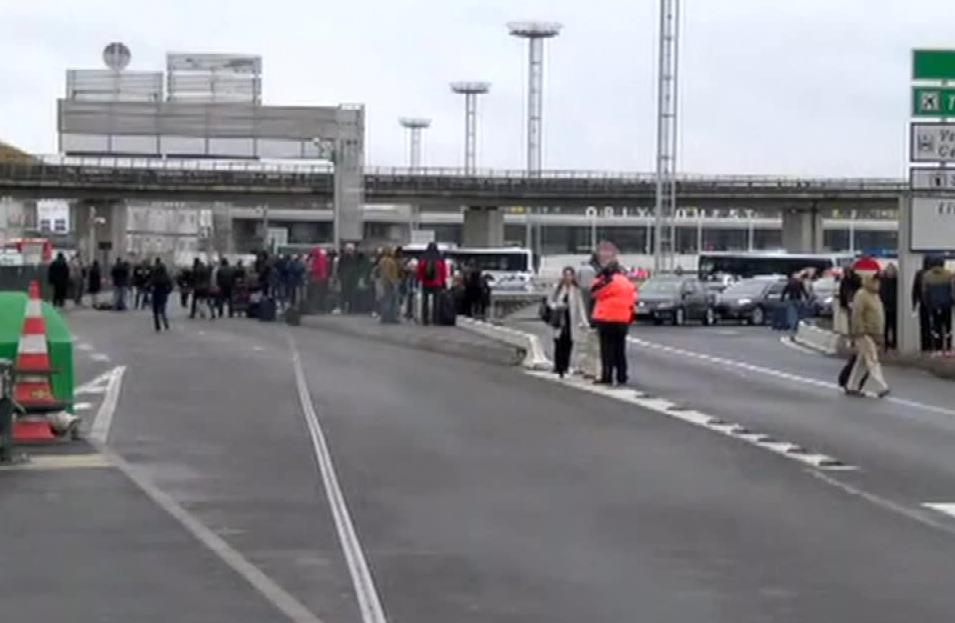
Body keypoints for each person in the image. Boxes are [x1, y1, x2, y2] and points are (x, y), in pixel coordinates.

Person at [591, 259, 635, 386]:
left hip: (607, 318)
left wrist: (599, 276)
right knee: (620, 349)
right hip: (623, 319)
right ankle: (622, 376)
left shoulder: (607, 281)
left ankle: (607, 376)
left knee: (607, 349)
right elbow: (633, 299)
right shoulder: (627, 282)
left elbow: (595, 292)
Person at [846, 274, 890, 398]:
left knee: (863, 362)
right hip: (864, 332)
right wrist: (859, 331)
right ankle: (881, 386)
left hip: (874, 333)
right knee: (872, 360)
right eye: (875, 281)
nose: (878, 283)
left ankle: (852, 386)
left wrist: (880, 334)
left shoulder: (875, 296)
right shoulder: (861, 295)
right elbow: (857, 314)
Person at [548, 267, 590, 378]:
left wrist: (584, 321)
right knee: (558, 343)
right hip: (559, 319)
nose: (568, 277)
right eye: (566, 275)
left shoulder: (576, 290)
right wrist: (558, 306)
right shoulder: (557, 288)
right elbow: (550, 302)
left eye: (570, 275)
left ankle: (565, 367)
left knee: (568, 344)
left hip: (570, 321)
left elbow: (580, 307)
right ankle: (558, 367)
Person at [921, 257, 953, 353]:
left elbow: (924, 292)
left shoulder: (927, 276)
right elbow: (953, 291)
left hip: (934, 305)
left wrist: (927, 304)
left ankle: (938, 348)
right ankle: (948, 348)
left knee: (936, 328)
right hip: (947, 305)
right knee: (948, 327)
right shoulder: (949, 274)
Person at [416, 242, 447, 325]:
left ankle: (425, 319)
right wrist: (443, 281)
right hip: (437, 283)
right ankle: (435, 320)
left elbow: (420, 269)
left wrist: (419, 279)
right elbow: (444, 271)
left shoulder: (423, 257)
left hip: (426, 282)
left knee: (425, 301)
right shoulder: (440, 258)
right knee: (436, 302)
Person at [376, 247, 401, 323]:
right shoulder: (391, 262)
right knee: (391, 301)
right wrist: (393, 283)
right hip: (390, 283)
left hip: (383, 283)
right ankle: (390, 318)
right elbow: (390, 274)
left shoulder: (382, 261)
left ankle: (384, 317)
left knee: (385, 300)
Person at [912, 258, 932, 352]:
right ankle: (932, 346)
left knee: (923, 326)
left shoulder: (919, 273)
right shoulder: (933, 274)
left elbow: (915, 290)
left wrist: (914, 304)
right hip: (932, 303)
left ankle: (924, 346)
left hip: (922, 303)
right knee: (933, 326)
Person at [781, 272, 808, 336]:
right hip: (798, 299)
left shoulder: (790, 282)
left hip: (791, 299)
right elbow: (803, 291)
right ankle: (797, 325)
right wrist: (807, 297)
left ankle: (792, 326)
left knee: (792, 313)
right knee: (799, 312)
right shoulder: (799, 282)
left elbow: (784, 291)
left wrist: (782, 298)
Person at [149, 258, 173, 332]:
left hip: (155, 293)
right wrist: (167, 291)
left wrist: (150, 289)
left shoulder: (154, 276)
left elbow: (150, 284)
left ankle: (157, 325)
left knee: (155, 310)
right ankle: (166, 324)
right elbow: (171, 286)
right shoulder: (166, 276)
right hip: (163, 294)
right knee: (162, 310)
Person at [880, 263, 899, 351]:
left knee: (887, 325)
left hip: (887, 305)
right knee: (892, 325)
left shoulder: (883, 281)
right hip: (892, 305)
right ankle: (892, 342)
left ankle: (888, 343)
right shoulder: (897, 281)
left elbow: (882, 293)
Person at [307, 246, 329, 314]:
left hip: (317, 279)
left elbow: (318, 268)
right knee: (320, 294)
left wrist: (311, 270)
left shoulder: (318, 259)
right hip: (321, 279)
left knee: (316, 294)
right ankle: (320, 308)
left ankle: (315, 308)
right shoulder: (322, 258)